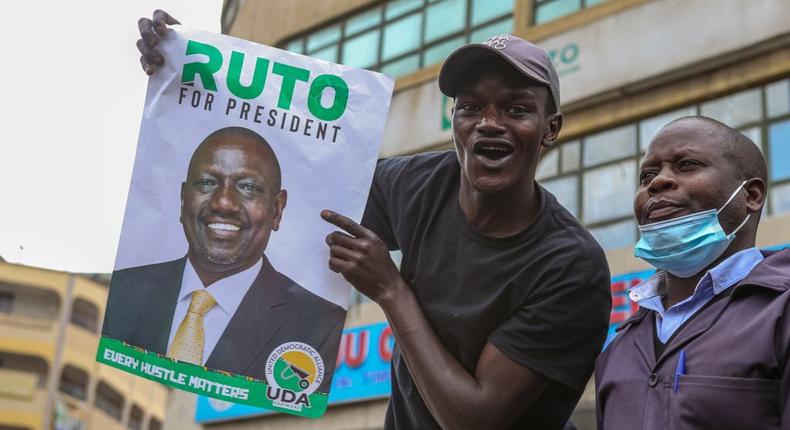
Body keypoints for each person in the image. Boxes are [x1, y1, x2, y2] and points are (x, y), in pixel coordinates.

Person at [137, 13, 612, 429]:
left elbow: (473, 419)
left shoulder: (571, 268)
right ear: (454, 121)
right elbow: (291, 185)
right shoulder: (417, 183)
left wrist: (390, 290)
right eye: (471, 108)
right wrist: (192, 81)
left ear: (550, 129)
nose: (489, 122)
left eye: (516, 109)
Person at [102, 126, 345, 390]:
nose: (223, 203)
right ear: (183, 198)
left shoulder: (320, 326)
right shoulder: (123, 291)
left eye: (248, 187)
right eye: (207, 182)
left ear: (277, 210)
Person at [595, 116, 790, 429]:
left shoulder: (781, 310)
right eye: (647, 176)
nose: (657, 183)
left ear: (750, 195)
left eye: (686, 165)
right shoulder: (619, 348)